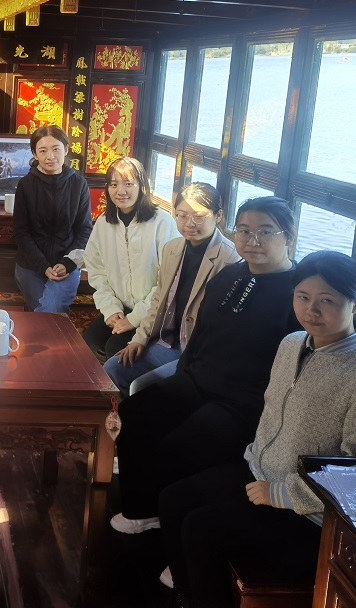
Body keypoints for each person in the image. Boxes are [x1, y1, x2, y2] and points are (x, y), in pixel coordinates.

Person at [159, 251, 356, 607]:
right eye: (303, 297)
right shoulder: (292, 343)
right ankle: (187, 595)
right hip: (261, 473)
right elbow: (272, 412)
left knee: (200, 529)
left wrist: (281, 495)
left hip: (311, 516)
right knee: (173, 500)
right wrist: (256, 459)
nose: (311, 310)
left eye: (326, 301)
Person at [110, 196, 303, 534]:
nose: (252, 240)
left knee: (180, 445)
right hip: (196, 381)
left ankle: (167, 522)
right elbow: (199, 334)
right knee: (132, 414)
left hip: (244, 403)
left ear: (288, 236)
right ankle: (143, 507)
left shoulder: (298, 293)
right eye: (244, 230)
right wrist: (182, 375)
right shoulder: (229, 275)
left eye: (265, 232)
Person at [103, 182, 240, 396]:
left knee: (142, 388)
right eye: (182, 216)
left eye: (199, 216)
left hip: (197, 352)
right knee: (113, 368)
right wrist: (139, 338)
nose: (189, 224)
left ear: (219, 215)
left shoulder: (230, 260)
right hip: (168, 342)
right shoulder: (173, 249)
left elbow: (226, 326)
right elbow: (159, 299)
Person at [82, 156, 179, 361]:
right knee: (91, 342)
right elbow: (96, 270)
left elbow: (169, 280)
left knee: (115, 349)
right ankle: (106, 381)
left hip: (154, 310)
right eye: (114, 185)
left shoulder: (162, 223)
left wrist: (135, 318)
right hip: (121, 306)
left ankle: (119, 382)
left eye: (128, 184)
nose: (121, 191)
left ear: (142, 186)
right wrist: (110, 308)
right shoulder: (104, 222)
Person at [13, 125, 93, 314]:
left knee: (50, 309)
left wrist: (67, 263)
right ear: (35, 154)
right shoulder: (25, 185)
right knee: (48, 310)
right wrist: (42, 266)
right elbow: (21, 232)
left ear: (66, 150)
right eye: (43, 151)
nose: (50, 156)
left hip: (67, 264)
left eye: (56, 149)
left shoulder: (79, 185)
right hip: (31, 265)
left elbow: (84, 230)